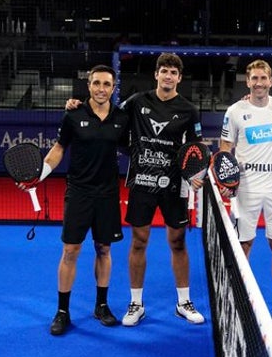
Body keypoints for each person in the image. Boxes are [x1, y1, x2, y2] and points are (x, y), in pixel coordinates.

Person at [66, 53, 206, 327]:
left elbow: (197, 148)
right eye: (164, 71)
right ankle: (136, 303)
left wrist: (195, 173)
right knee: (139, 241)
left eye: (173, 73)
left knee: (178, 242)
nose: (168, 76)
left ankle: (183, 302)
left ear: (179, 78)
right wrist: (79, 105)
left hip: (174, 186)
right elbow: (105, 115)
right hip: (141, 183)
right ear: (156, 74)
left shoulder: (189, 110)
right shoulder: (137, 102)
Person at [19, 65, 129, 335]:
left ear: (113, 88)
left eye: (106, 84)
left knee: (104, 249)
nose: (101, 89)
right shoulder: (73, 114)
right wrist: (40, 174)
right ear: (88, 86)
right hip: (79, 193)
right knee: (70, 251)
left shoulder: (122, 118)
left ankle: (101, 306)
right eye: (96, 83)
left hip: (107, 195)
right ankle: (62, 311)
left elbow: (133, 147)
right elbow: (58, 150)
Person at [219, 59, 272, 330]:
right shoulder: (235, 111)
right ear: (247, 81)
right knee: (243, 246)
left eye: (263, 78)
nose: (258, 83)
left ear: (270, 81)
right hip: (247, 190)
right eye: (253, 78)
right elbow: (225, 147)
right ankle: (237, 300)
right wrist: (227, 180)